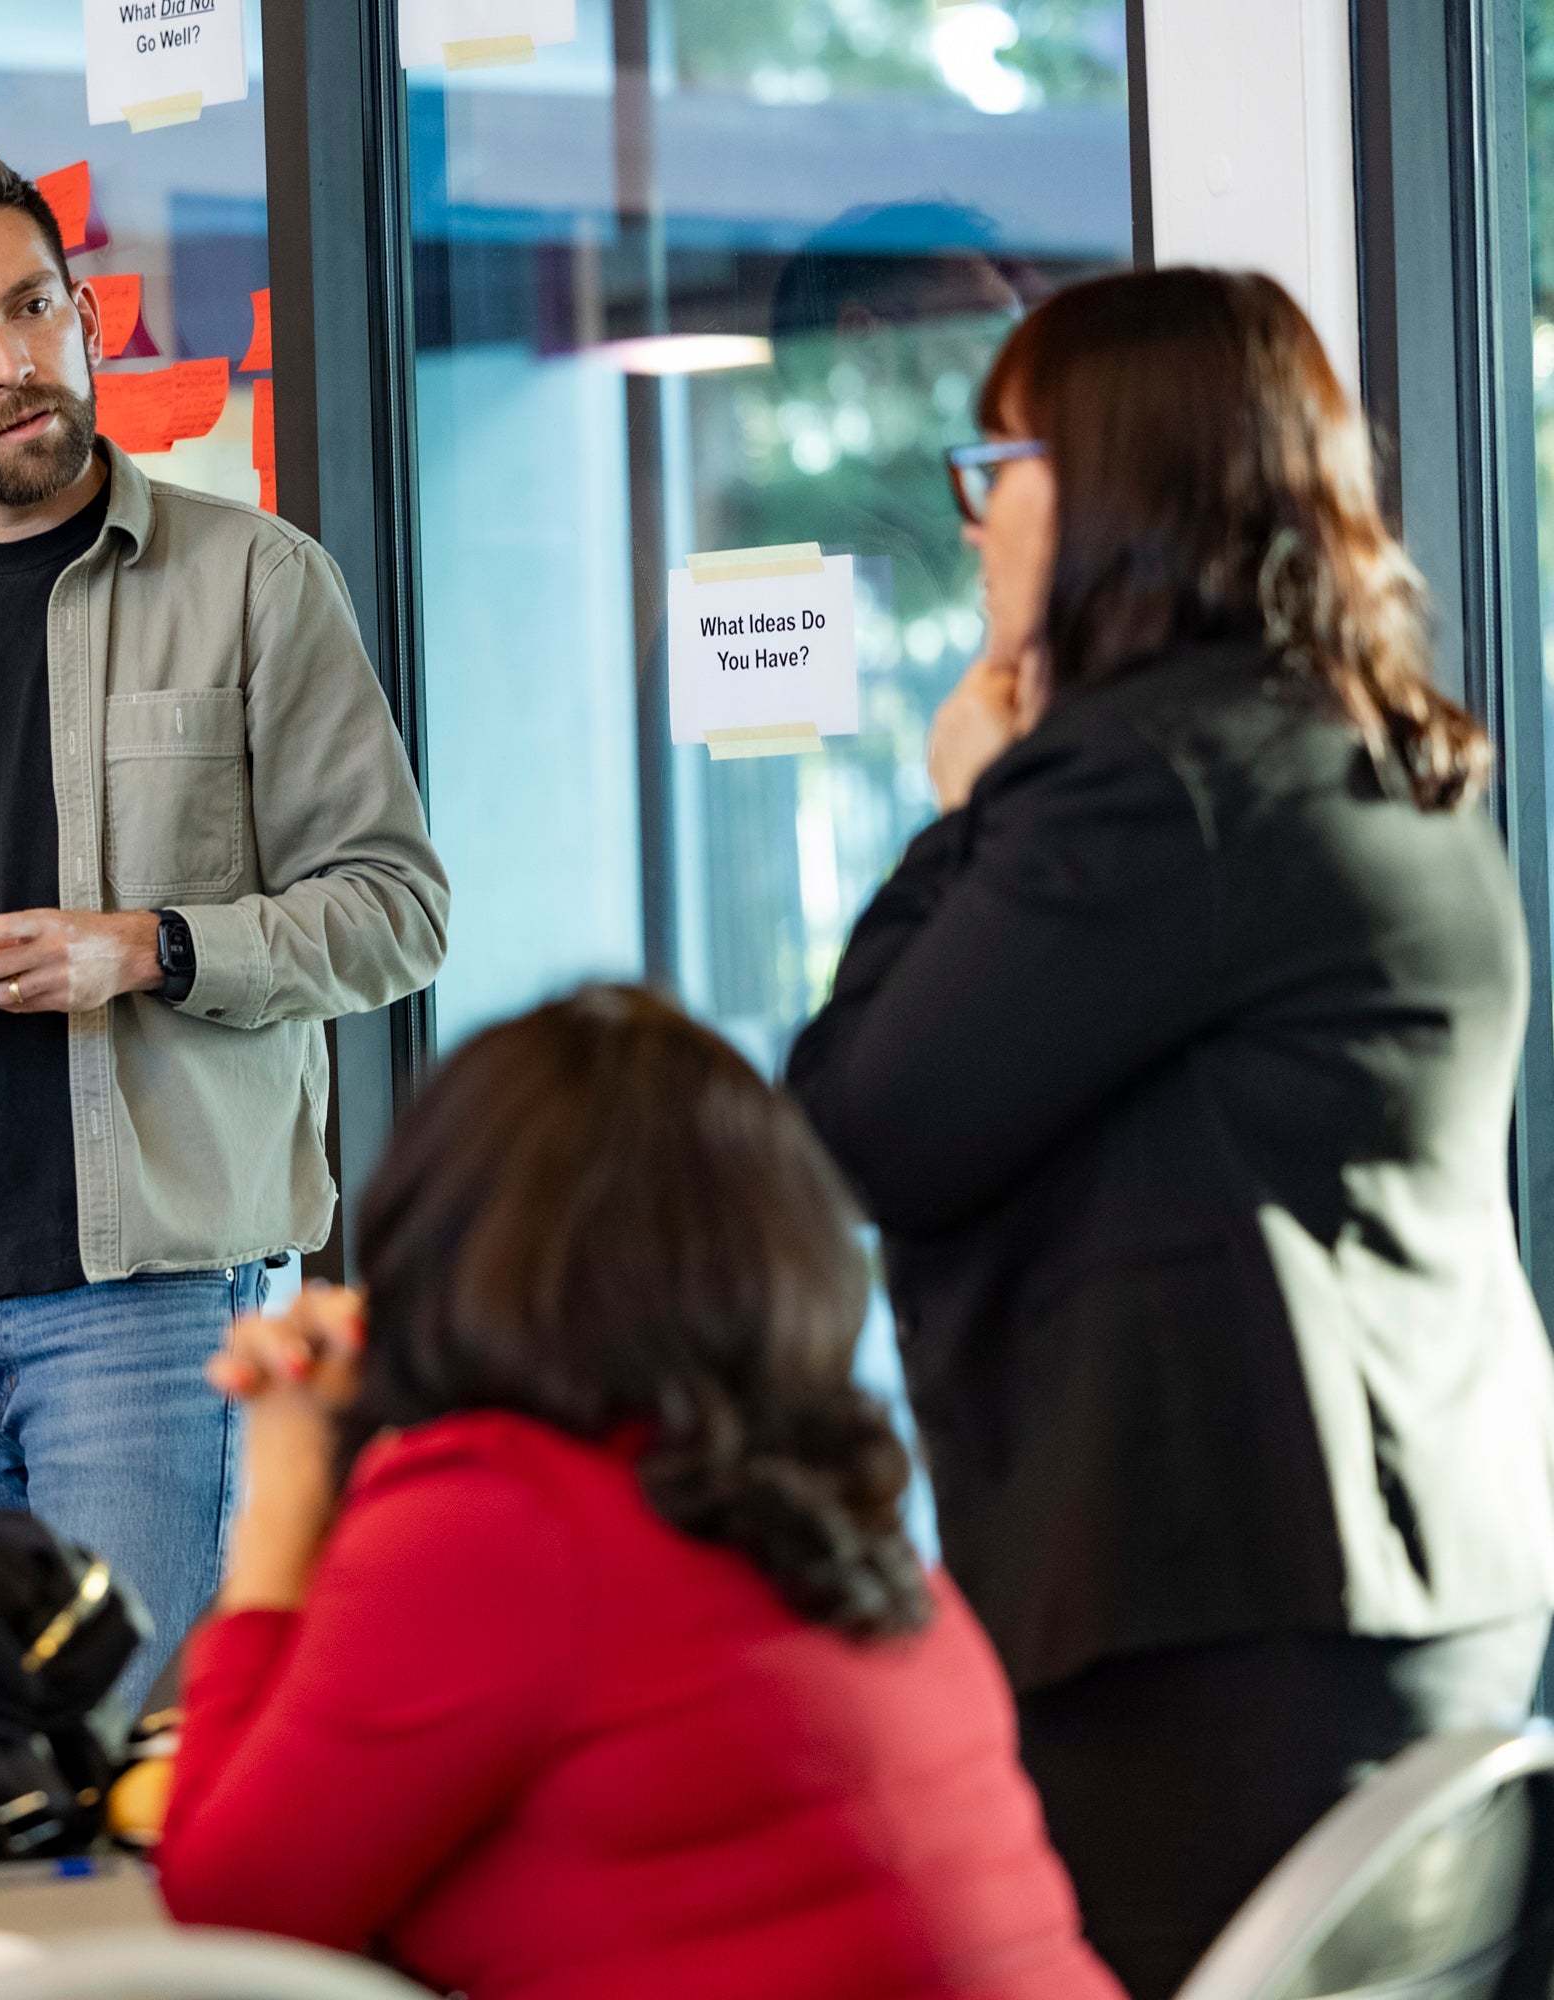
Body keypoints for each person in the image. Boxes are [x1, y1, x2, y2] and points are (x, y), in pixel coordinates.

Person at [785, 268, 1554, 1997]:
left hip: (1218, 1631)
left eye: (999, 464)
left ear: (1115, 479)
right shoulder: (1360, 744)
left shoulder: (1143, 782)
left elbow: (859, 1127)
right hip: (1416, 1589)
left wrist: (968, 806)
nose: (975, 525)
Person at [0, 150, 447, 1703]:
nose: (6, 363)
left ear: (85, 312)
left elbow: (398, 914)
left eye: (31, 308)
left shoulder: (259, 583)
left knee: (127, 1764)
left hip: (148, 1308)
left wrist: (149, 948)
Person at [155, 989, 1116, 2000]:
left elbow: (233, 1916)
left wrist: (285, 1494)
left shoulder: (492, 1518)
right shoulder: (830, 1499)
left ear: (444, 1236)